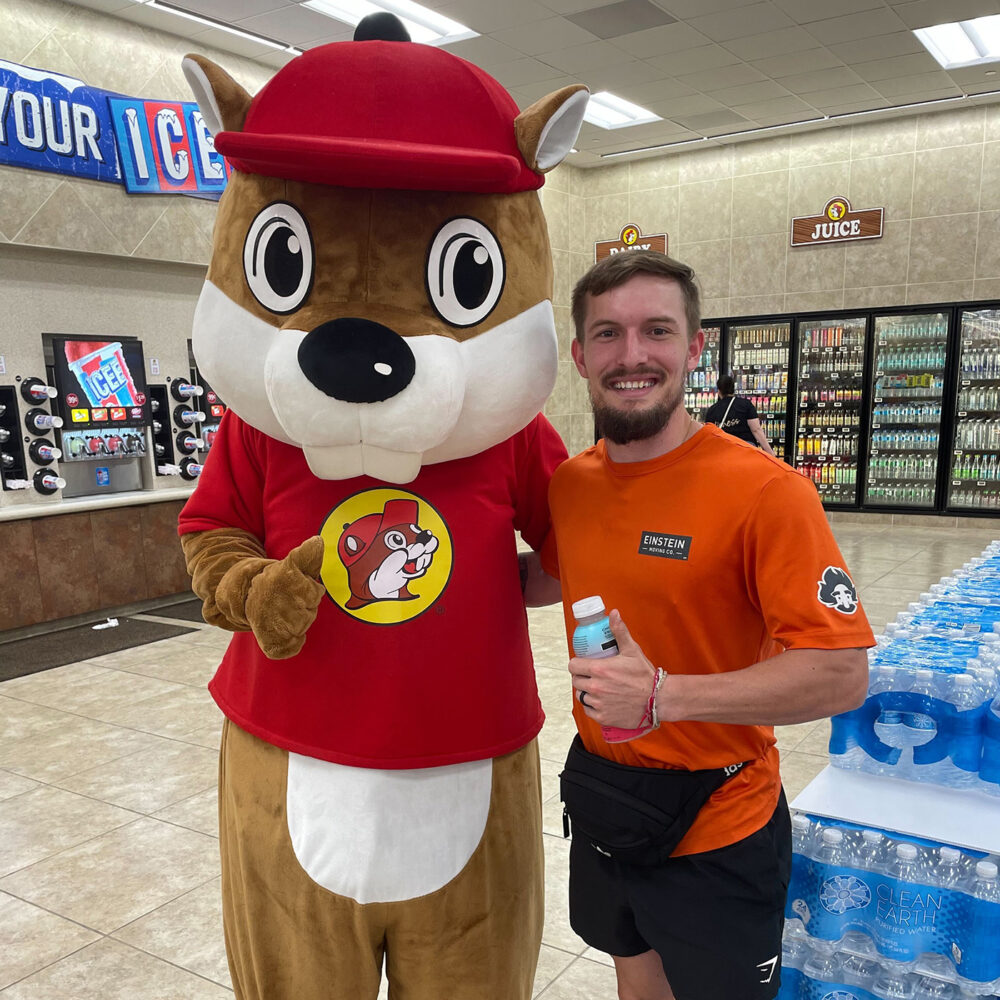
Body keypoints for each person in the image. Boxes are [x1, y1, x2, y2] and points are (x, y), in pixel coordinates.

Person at [533, 250, 874, 1000]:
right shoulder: (573, 482)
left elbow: (842, 672)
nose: (631, 355)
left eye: (656, 331)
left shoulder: (766, 492)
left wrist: (663, 695)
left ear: (694, 348)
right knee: (636, 984)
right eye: (608, 333)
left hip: (720, 825)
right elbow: (553, 576)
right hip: (609, 801)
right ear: (579, 355)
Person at [704, 373, 776, 455]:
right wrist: (770, 452)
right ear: (733, 388)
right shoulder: (746, 404)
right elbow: (756, 429)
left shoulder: (712, 410)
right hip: (745, 449)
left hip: (723, 450)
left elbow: (709, 434)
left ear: (719, 391)